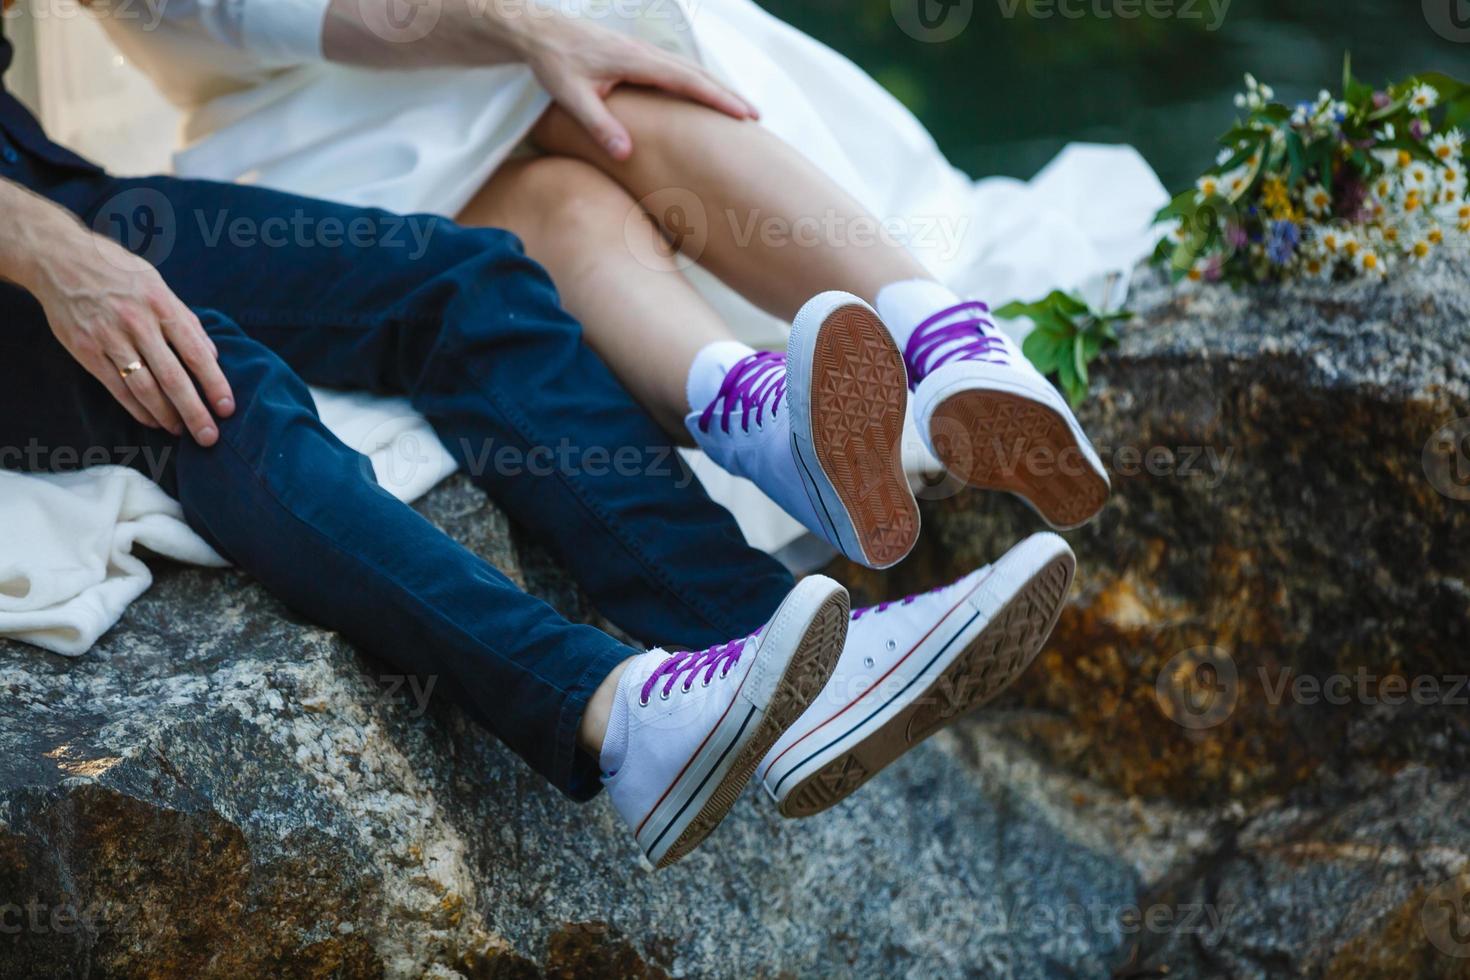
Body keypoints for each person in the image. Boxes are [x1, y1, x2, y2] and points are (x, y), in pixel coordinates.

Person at [0, 19, 1079, 866]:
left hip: (42, 177)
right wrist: (48, 251)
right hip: (24, 230)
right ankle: (618, 713)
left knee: (467, 281)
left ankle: (783, 645)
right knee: (210, 387)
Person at [89, 0, 1118, 541]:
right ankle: (933, 337)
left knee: (576, 106)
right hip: (315, 113)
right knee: (560, 140)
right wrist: (517, 26)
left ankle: (769, 414)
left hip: (432, 79)